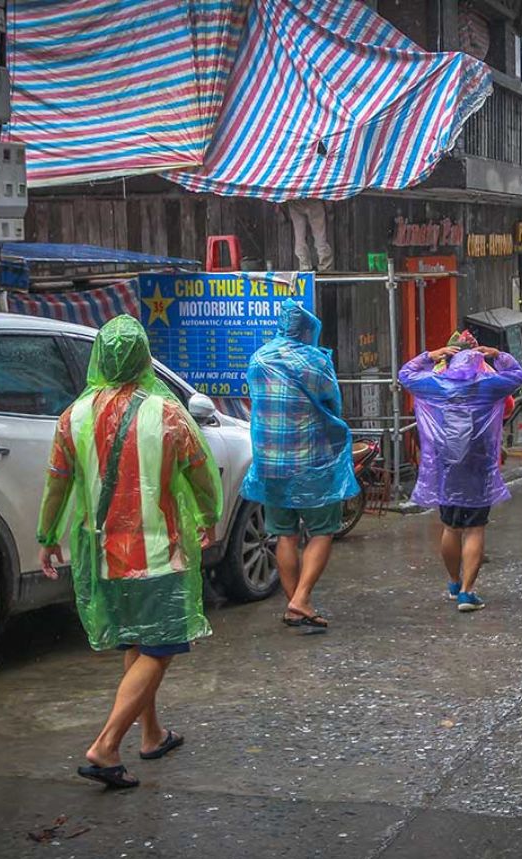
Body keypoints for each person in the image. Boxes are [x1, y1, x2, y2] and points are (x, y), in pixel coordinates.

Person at [37, 316, 222, 790]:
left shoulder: (72, 416)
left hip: (101, 557)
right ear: (143, 359)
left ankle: (152, 733)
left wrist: (46, 537)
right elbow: (201, 473)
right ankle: (106, 745)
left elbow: (57, 484)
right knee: (160, 648)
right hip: (158, 553)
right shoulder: (167, 413)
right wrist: (207, 516)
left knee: (138, 642)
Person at [243, 300, 359, 630]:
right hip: (313, 462)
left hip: (270, 462)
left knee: (285, 535)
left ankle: (294, 604)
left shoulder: (259, 358)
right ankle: (302, 598)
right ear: (306, 329)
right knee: (323, 531)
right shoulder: (314, 361)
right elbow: (332, 401)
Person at [399, 336, 522, 612]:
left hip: (446, 464)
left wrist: (431, 354)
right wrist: (498, 355)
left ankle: (454, 582)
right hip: (478, 465)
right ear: (477, 365)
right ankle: (468, 593)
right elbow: (519, 375)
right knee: (475, 528)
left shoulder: (435, 385)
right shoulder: (488, 385)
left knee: (451, 526)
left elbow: (405, 374)